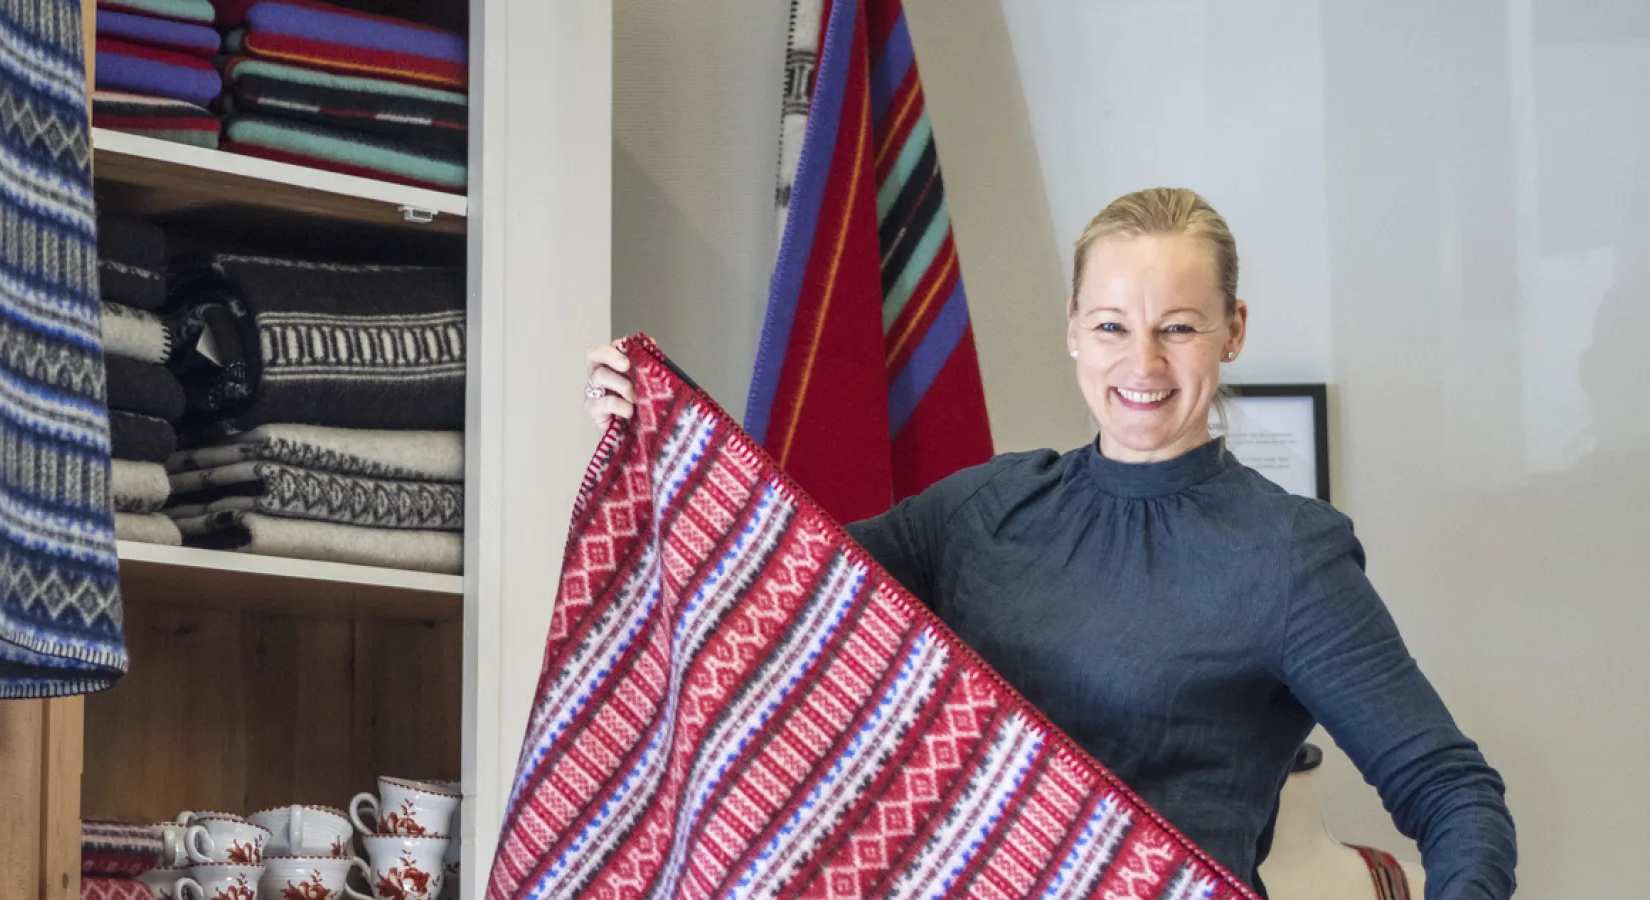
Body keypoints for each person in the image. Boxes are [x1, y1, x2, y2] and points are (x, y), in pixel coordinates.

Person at [583, 188, 1516, 898]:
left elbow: (1453, 792)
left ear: (1232, 333)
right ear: (1073, 330)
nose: (1142, 363)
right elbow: (767, 573)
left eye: (1178, 328)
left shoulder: (1289, 559)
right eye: (1111, 325)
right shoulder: (985, 507)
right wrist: (663, 430)